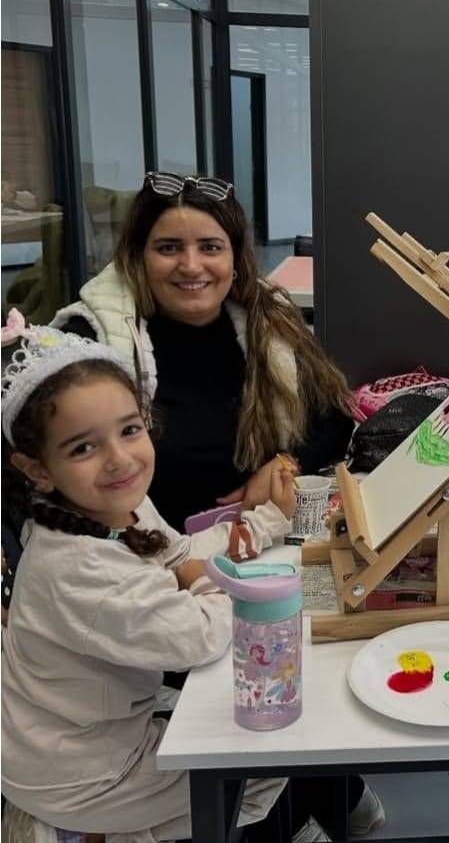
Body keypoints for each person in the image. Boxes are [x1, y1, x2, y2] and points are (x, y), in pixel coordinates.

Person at [0, 316, 385, 840]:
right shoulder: (77, 568)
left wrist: (266, 520)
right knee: (265, 754)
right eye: (83, 448)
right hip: (81, 775)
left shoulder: (115, 509)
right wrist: (209, 581)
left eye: (129, 430)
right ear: (37, 469)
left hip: (89, 729)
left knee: (268, 713)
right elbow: (198, 636)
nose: (119, 460)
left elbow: (181, 554)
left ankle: (338, 813)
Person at [50, 172, 355, 530]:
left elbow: (333, 419)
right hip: (133, 550)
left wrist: (287, 463)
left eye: (210, 247)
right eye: (168, 248)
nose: (191, 266)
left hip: (256, 541)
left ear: (235, 258)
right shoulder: (87, 342)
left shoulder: (269, 323)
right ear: (138, 256)